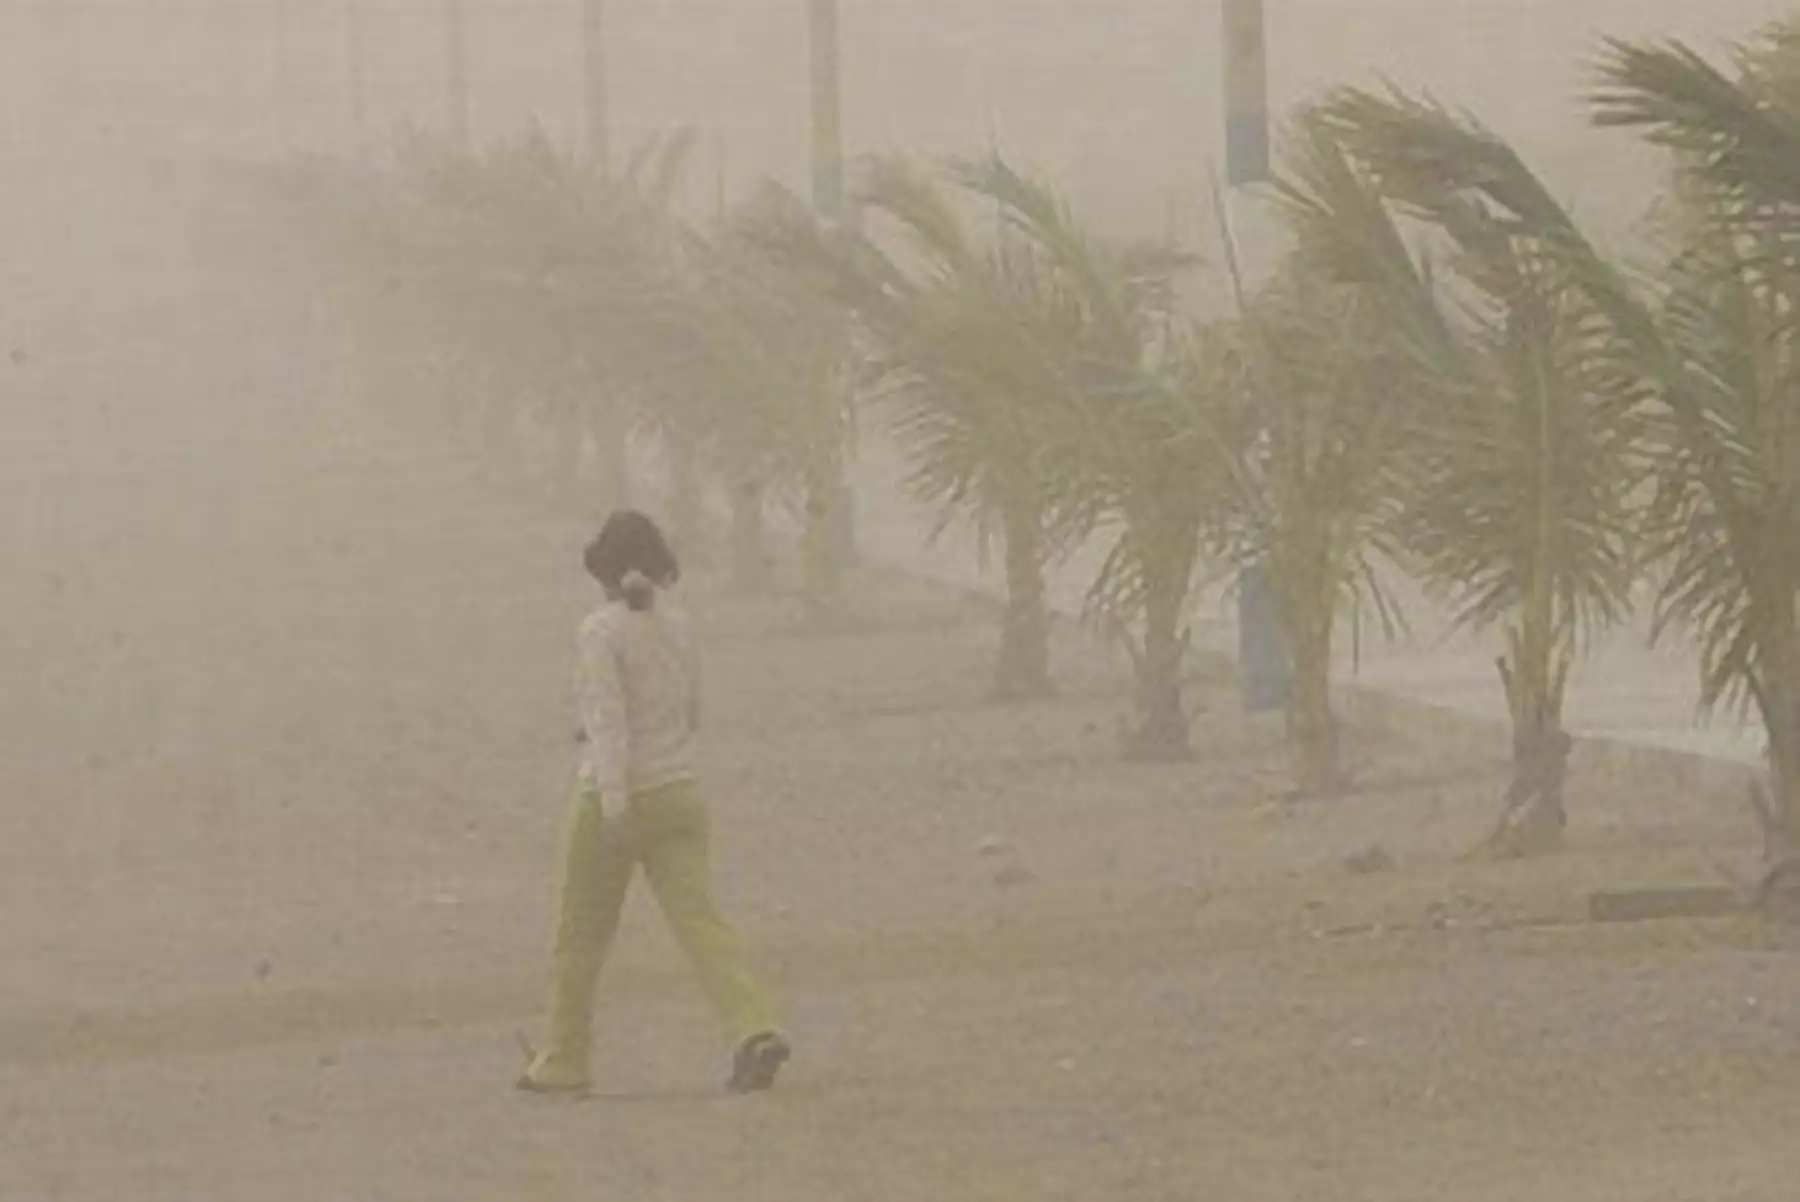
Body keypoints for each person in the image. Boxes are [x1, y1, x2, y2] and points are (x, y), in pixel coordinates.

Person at [517, 509, 789, 1097]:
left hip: (615, 795)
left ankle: (564, 1057)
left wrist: (615, 805)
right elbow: (688, 709)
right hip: (680, 791)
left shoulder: (599, 631)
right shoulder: (680, 625)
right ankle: (754, 1025)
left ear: (604, 572)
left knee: (580, 936)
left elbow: (610, 723)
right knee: (702, 924)